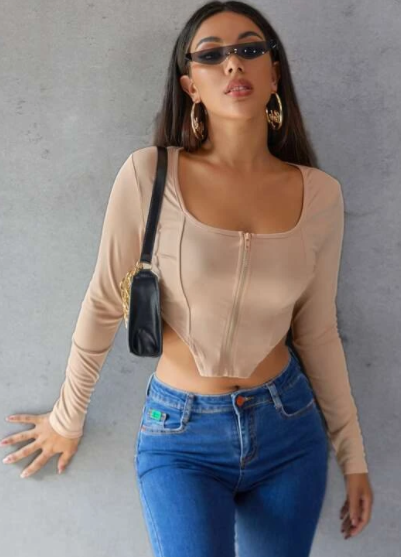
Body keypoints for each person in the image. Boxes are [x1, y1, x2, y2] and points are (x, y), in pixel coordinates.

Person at [1, 1, 373, 555]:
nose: (233, 63)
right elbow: (104, 302)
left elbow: (317, 331)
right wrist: (67, 417)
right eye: (212, 55)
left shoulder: (320, 194)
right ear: (190, 85)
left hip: (288, 429)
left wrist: (353, 456)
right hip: (181, 434)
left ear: (274, 74)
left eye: (249, 49)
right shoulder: (150, 174)